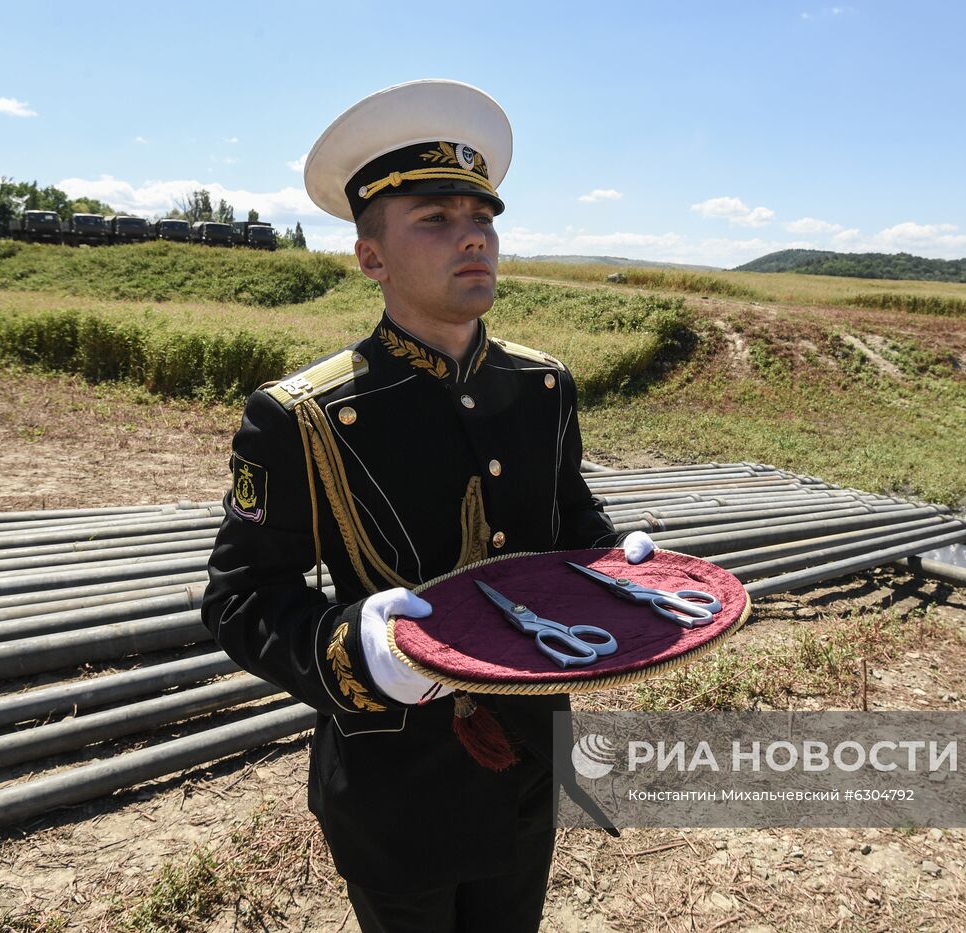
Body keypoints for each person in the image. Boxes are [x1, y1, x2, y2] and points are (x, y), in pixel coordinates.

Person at [201, 79, 655, 933]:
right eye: (435, 220)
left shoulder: (542, 385)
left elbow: (572, 526)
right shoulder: (305, 414)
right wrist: (354, 647)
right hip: (392, 783)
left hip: (526, 757)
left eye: (482, 216)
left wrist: (622, 567)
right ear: (371, 257)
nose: (473, 235)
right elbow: (240, 598)